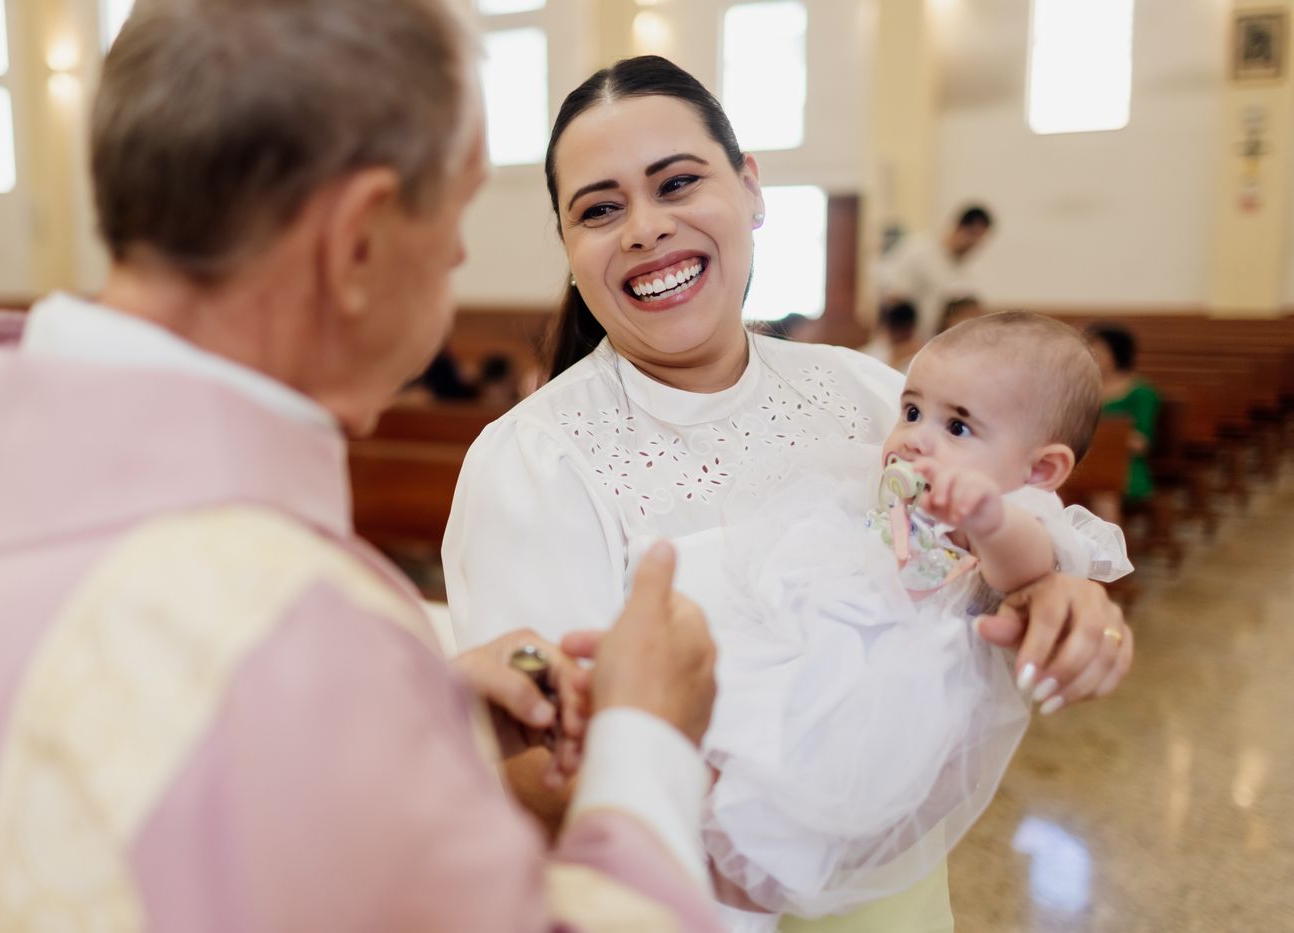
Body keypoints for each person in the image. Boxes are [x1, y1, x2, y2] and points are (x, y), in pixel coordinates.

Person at [0, 4, 726, 929]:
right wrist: (647, 740)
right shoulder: (294, 635)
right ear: (358, 242)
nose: (458, 254)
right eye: (456, 211)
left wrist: (421, 709)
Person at [442, 56, 1133, 932]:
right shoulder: (533, 460)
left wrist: (1064, 598)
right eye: (600, 209)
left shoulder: (874, 395)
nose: (645, 228)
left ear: (750, 189)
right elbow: (536, 766)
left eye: (677, 183)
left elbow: (982, 559)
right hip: (684, 903)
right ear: (571, 251)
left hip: (899, 899)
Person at [701, 311, 1133, 930]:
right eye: (911, 411)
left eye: (957, 426)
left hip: (906, 682)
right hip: (835, 637)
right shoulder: (898, 490)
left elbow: (1027, 568)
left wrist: (989, 519)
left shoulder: (1016, 515)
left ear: (1039, 471)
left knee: (822, 800)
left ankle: (755, 888)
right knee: (750, 732)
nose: (914, 438)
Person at [875, 206, 993, 338]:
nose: (974, 244)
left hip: (936, 341)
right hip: (908, 341)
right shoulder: (918, 251)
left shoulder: (963, 265)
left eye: (980, 239)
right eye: (973, 235)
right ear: (959, 228)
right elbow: (894, 299)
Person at [1086, 323, 1163, 523]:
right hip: (1086, 461)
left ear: (1116, 353)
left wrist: (1104, 436)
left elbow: (1141, 443)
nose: (1091, 356)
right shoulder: (1085, 388)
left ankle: (1109, 543)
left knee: (1103, 491)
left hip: (1125, 466)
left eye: (1097, 351)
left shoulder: (1141, 392)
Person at [858, 300, 923, 372]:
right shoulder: (868, 355)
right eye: (898, 331)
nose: (901, 335)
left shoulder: (921, 354)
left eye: (905, 330)